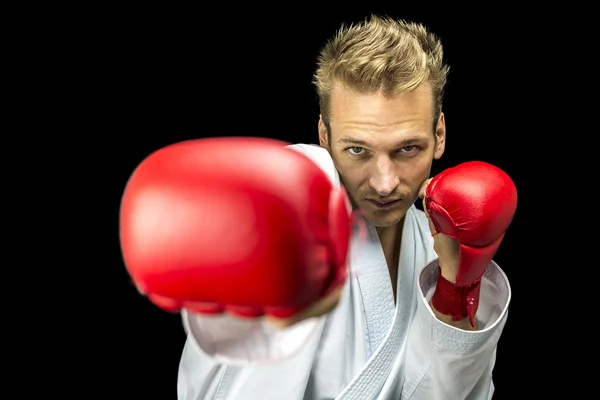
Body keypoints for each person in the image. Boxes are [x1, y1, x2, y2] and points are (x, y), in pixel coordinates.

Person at [120, 14, 518, 399]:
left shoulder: (441, 242)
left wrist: (455, 287)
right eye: (357, 150)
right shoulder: (292, 215)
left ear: (440, 134)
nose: (384, 182)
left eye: (407, 149)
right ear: (324, 136)